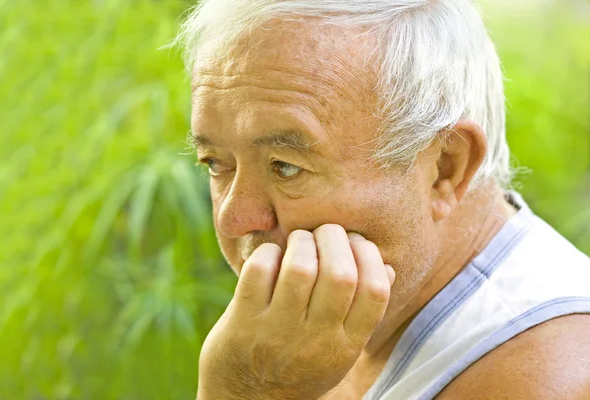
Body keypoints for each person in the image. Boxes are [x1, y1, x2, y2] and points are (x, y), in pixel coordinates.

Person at [174, 0, 590, 398]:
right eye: (215, 163)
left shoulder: (544, 375)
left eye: (285, 166)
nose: (234, 218)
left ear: (444, 168)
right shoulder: (337, 313)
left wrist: (252, 391)